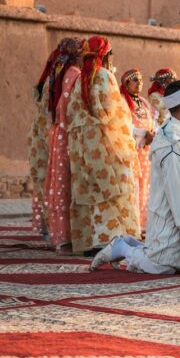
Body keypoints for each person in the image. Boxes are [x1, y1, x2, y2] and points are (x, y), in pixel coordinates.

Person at [90, 80, 180, 274]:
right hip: (170, 216)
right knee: (161, 266)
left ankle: (133, 245)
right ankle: (122, 248)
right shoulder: (170, 139)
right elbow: (175, 187)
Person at [67, 36, 140, 254]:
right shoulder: (105, 76)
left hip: (82, 145)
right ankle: (114, 240)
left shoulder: (79, 80)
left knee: (89, 189)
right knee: (114, 186)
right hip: (104, 142)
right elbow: (114, 113)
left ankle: (92, 241)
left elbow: (72, 113)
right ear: (106, 56)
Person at [43, 37, 84, 252]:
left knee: (62, 183)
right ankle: (65, 237)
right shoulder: (75, 75)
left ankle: (61, 236)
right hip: (69, 136)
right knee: (68, 183)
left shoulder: (62, 74)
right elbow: (72, 109)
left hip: (60, 134)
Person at [28, 43, 61, 239]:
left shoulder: (47, 81)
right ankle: (51, 227)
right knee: (50, 180)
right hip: (46, 136)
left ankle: (49, 227)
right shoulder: (53, 83)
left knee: (45, 180)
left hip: (40, 136)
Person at [120, 69, 156, 230]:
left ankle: (142, 224)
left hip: (146, 150)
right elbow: (125, 125)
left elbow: (152, 121)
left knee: (145, 185)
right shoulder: (122, 101)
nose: (139, 83)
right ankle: (132, 224)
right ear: (126, 84)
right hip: (132, 148)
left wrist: (151, 134)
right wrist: (144, 135)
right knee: (133, 185)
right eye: (135, 80)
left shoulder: (144, 101)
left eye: (140, 80)